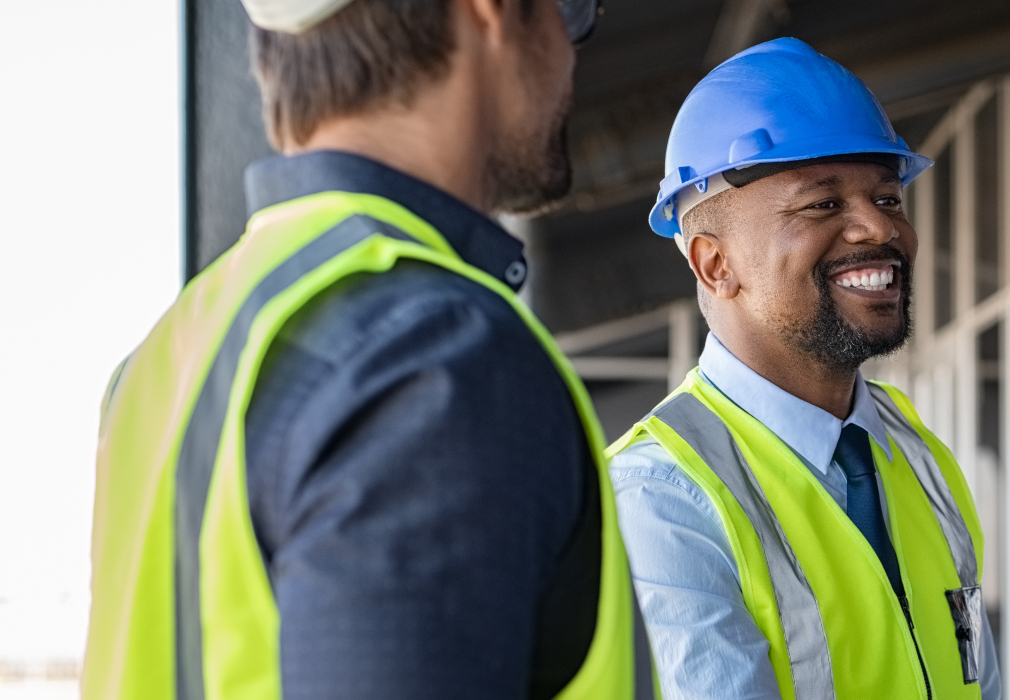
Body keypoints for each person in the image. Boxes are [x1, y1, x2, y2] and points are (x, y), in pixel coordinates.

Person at [85, 1, 641, 698]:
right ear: (492, 12)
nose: (571, 45)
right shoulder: (435, 359)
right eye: (571, 9)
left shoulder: (170, 352)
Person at [605, 38, 1000, 700]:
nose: (878, 228)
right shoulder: (662, 499)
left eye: (889, 198)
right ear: (714, 264)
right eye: (823, 204)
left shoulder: (915, 455)